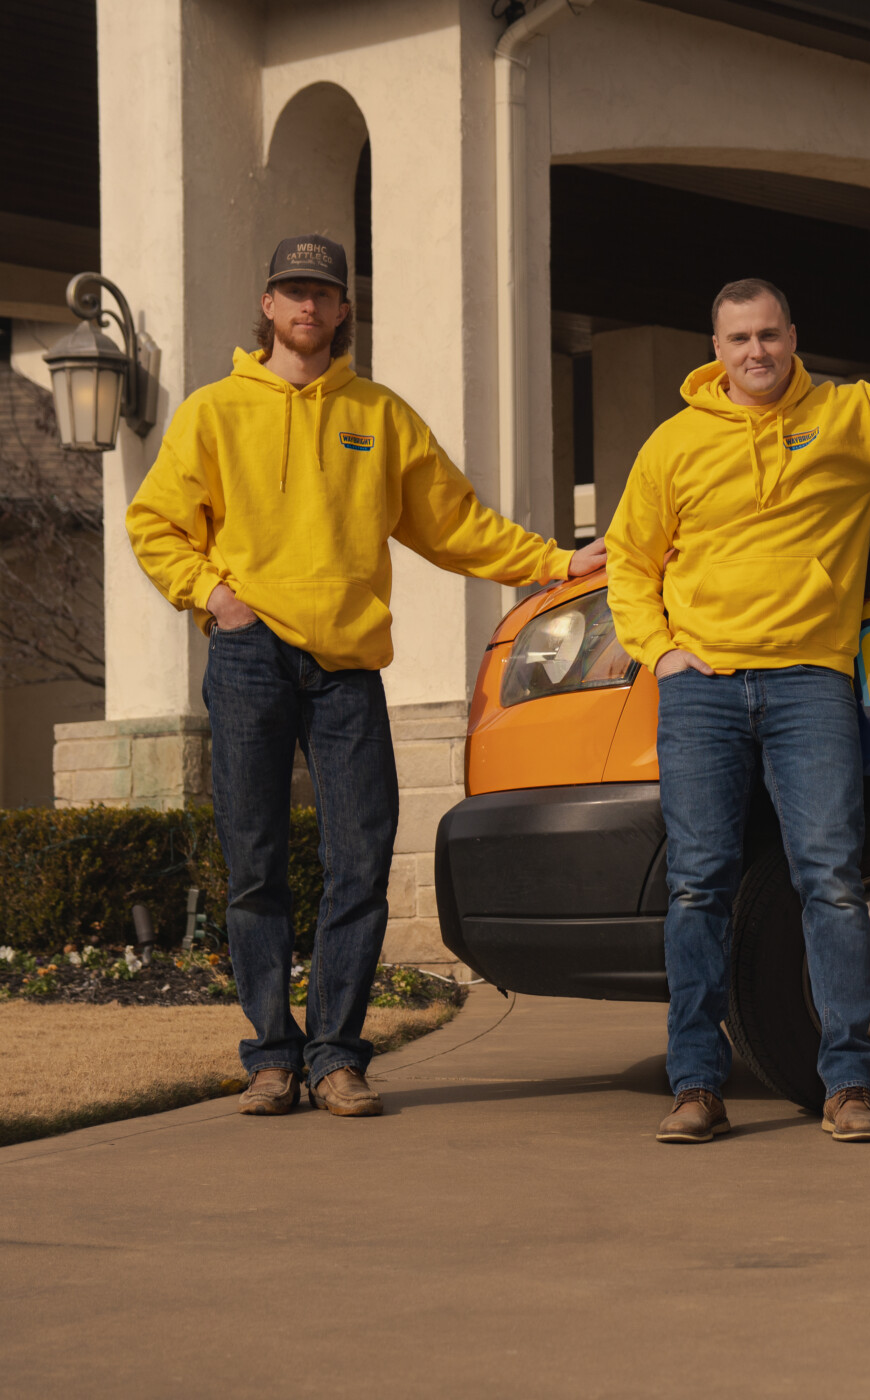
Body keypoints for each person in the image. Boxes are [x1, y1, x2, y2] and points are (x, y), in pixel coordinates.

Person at [127, 233, 602, 1118]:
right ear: (268, 305)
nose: (308, 305)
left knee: (361, 858)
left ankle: (338, 1056)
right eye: (293, 290)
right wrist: (215, 597)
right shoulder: (213, 411)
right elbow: (156, 523)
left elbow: (457, 524)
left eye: (323, 292)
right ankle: (272, 1057)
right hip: (249, 654)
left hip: (346, 665)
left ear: (344, 310)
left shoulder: (379, 416)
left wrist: (556, 562)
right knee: (255, 863)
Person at [604, 278, 870, 1147]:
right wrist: (660, 653)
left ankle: (849, 1084)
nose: (757, 351)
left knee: (831, 879)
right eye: (740, 338)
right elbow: (630, 561)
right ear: (716, 350)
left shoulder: (849, 416)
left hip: (810, 680)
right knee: (698, 884)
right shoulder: (673, 443)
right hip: (702, 687)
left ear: (793, 336)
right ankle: (697, 1085)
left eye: (769, 335)